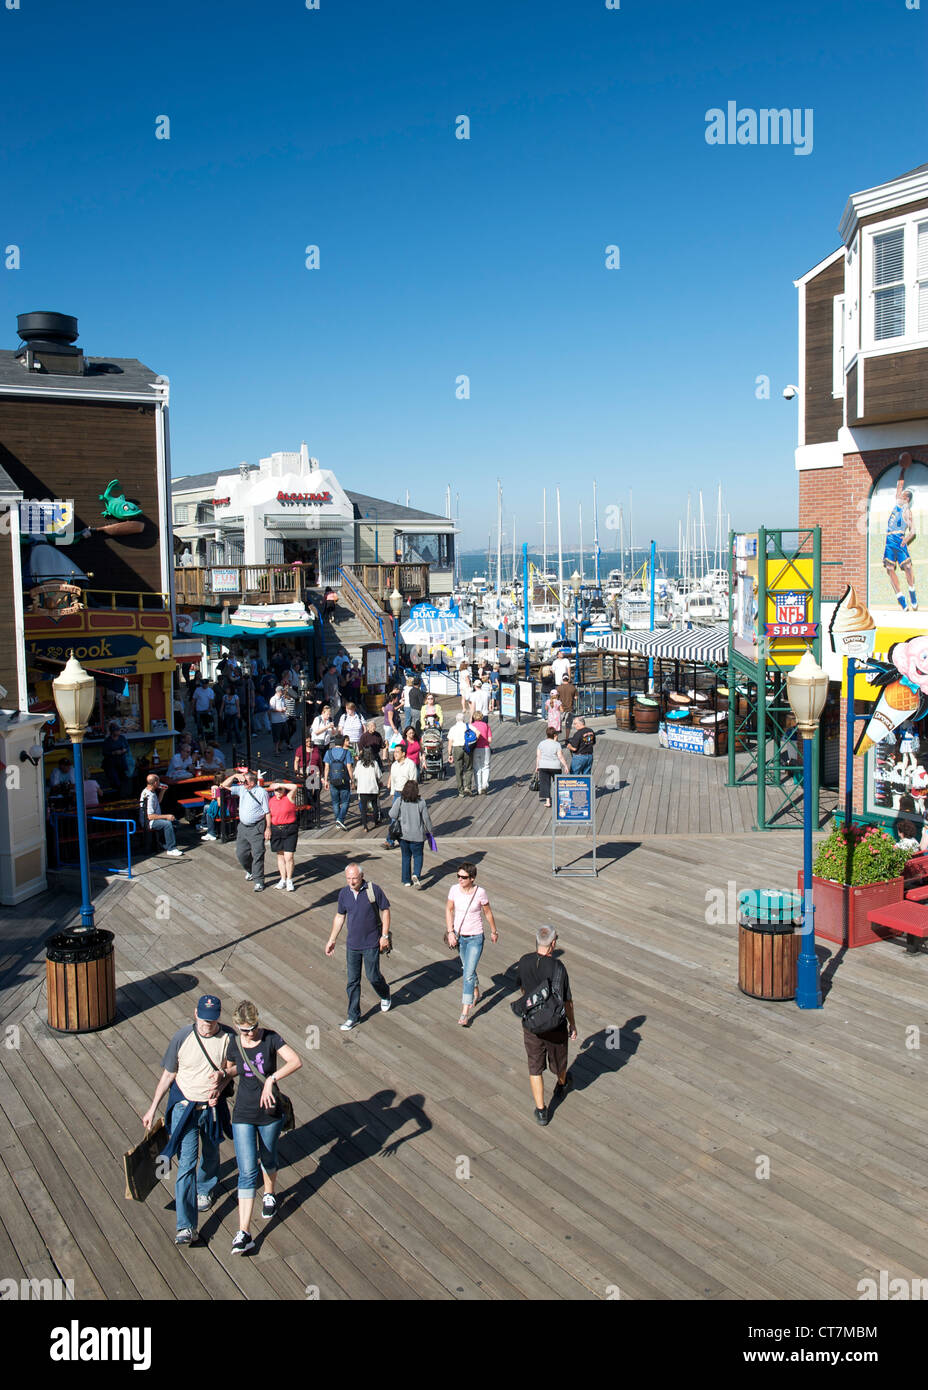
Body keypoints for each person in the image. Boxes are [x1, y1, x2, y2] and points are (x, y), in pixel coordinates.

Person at [141, 994, 233, 1245]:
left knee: (212, 1153)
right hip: (185, 1109)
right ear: (195, 1014)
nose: (208, 1025)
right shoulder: (181, 1037)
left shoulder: (228, 1037)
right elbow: (168, 1074)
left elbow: (233, 1067)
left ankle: (205, 1188)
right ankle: (185, 1226)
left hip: (212, 1109)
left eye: (213, 1021)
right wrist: (152, 1108)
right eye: (204, 1020)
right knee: (186, 1165)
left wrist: (222, 1082)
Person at [225, 1000, 303, 1254]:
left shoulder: (271, 1038)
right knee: (247, 1172)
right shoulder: (234, 1044)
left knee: (268, 1157)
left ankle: (269, 1193)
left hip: (269, 1113)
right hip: (243, 1113)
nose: (250, 1033)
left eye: (253, 1027)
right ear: (237, 1027)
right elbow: (232, 1069)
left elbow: (295, 1061)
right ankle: (244, 1232)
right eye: (245, 1030)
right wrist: (219, 1079)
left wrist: (271, 1079)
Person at [515, 925, 577, 1125]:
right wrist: (572, 1025)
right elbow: (567, 1000)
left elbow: (523, 989)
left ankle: (541, 1110)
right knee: (559, 1060)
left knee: (535, 1065)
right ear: (553, 943)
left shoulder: (524, 961)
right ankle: (561, 1084)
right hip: (554, 1025)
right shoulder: (558, 967)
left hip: (531, 1023)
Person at [325, 863, 392, 1030]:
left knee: (373, 976)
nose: (351, 881)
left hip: (371, 942)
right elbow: (340, 916)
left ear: (362, 876)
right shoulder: (344, 893)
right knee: (353, 981)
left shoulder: (373, 890)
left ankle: (385, 994)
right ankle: (353, 1016)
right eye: (348, 878)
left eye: (354, 878)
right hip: (352, 945)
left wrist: (384, 936)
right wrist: (332, 939)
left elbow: (385, 910)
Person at [445, 861, 499, 1026]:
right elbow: (449, 909)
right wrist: (450, 932)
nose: (460, 879)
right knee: (468, 968)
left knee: (467, 974)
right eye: (458, 876)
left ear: (472, 878)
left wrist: (493, 931)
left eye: (464, 877)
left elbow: (488, 912)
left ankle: (465, 1012)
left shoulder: (480, 893)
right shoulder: (454, 889)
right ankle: (476, 990)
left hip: (476, 937)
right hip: (460, 936)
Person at [221, 770, 270, 891]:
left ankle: (259, 881)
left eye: (245, 781)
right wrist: (234, 776)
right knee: (241, 854)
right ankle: (251, 871)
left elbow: (267, 812)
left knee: (258, 853)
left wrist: (268, 828)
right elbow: (223, 785)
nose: (242, 783)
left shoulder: (261, 792)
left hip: (256, 827)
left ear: (252, 783)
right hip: (243, 827)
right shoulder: (242, 789)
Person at [883, 453, 918, 612]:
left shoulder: (907, 511)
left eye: (903, 495)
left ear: (907, 499)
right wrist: (902, 471)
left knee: (908, 567)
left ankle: (912, 591)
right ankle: (900, 597)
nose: (900, 495)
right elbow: (899, 486)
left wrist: (907, 539)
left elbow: (913, 530)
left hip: (899, 538)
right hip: (889, 539)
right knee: (890, 569)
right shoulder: (897, 505)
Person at [389, 780, 434, 889]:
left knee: (406, 857)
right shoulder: (421, 802)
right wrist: (430, 832)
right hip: (418, 836)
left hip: (403, 835)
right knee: (418, 856)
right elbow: (426, 819)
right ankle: (416, 874)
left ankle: (406, 880)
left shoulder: (400, 800)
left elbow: (392, 814)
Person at [139, 773, 184, 856]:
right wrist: (166, 816)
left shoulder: (151, 791)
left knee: (175, 822)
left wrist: (162, 791)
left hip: (154, 818)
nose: (160, 783)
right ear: (155, 783)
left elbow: (158, 802)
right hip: (148, 822)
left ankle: (164, 843)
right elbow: (150, 816)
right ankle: (171, 848)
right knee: (167, 824)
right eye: (159, 781)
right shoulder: (148, 796)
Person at [267, 781, 299, 891]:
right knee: (280, 856)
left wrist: (281, 785)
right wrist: (268, 828)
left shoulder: (289, 797)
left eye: (280, 790)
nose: (278, 792)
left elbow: (294, 786)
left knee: (289, 856)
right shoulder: (271, 801)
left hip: (289, 829)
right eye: (276, 790)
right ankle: (283, 879)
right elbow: (269, 815)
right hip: (276, 829)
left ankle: (289, 880)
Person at [384, 744, 418, 845]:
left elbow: (413, 780)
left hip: (407, 794)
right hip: (397, 794)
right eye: (394, 752)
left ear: (403, 753)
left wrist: (413, 795)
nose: (395, 754)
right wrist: (392, 793)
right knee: (394, 817)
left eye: (397, 752)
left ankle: (408, 838)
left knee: (408, 817)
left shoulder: (410, 764)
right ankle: (390, 840)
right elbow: (393, 781)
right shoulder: (394, 765)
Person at [323, 734, 355, 830]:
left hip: (333, 780)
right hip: (344, 780)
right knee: (345, 801)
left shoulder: (328, 752)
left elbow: (326, 768)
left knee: (335, 802)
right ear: (342, 742)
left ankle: (337, 820)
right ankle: (340, 819)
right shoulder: (347, 752)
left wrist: (325, 781)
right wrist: (352, 780)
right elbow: (349, 767)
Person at [535, 727, 569, 807]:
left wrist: (537, 766)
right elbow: (560, 756)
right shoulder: (557, 744)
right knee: (558, 783)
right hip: (555, 766)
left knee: (545, 784)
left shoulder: (541, 743)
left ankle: (548, 801)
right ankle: (561, 800)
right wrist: (565, 766)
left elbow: (538, 756)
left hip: (543, 766)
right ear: (554, 735)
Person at [356, 744, 384, 832]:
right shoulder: (374, 763)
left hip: (363, 788)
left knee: (364, 808)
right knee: (375, 806)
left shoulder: (359, 763)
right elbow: (379, 775)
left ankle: (365, 826)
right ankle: (376, 821)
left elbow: (356, 775)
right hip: (373, 788)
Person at [447, 712, 474, 797]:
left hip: (457, 748)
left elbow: (450, 742)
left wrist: (450, 754)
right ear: (463, 719)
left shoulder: (452, 728)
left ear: (456, 719)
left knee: (459, 770)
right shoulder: (468, 726)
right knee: (469, 768)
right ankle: (468, 787)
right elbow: (477, 733)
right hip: (467, 747)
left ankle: (461, 791)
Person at [102, 721, 132, 794]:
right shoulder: (108, 741)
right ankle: (116, 793)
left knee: (123, 779)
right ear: (112, 732)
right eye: (117, 731)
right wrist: (113, 753)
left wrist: (124, 750)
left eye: (119, 730)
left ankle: (123, 794)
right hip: (111, 763)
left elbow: (127, 747)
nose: (118, 732)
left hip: (121, 761)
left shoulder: (122, 738)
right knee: (114, 780)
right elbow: (104, 752)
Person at [470, 710, 492, 795]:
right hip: (485, 748)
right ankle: (484, 785)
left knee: (477, 768)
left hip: (475, 748)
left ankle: (478, 788)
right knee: (486, 767)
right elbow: (490, 739)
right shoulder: (486, 725)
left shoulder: (471, 726)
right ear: (482, 717)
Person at [557, 672, 578, 741]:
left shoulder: (559, 688)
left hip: (561, 708)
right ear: (568, 679)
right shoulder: (573, 688)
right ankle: (567, 738)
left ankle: (556, 739)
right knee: (568, 725)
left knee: (558, 724)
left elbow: (556, 699)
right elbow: (576, 697)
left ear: (562, 679)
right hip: (570, 708)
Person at [269, 686, 290, 756]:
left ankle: (280, 747)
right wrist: (280, 710)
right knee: (276, 736)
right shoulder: (273, 699)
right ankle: (276, 750)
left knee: (284, 735)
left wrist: (285, 708)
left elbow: (285, 706)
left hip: (283, 719)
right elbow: (271, 709)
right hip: (276, 721)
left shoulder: (283, 698)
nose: (283, 692)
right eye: (282, 691)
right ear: (279, 691)